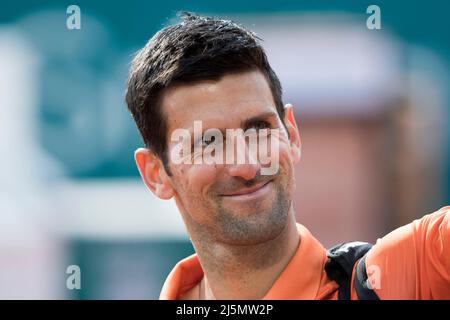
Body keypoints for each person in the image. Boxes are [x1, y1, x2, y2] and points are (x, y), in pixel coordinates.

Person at [125, 12, 450, 300]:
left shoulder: (413, 273)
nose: (248, 165)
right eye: (209, 143)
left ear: (291, 133)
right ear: (156, 174)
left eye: (259, 129)